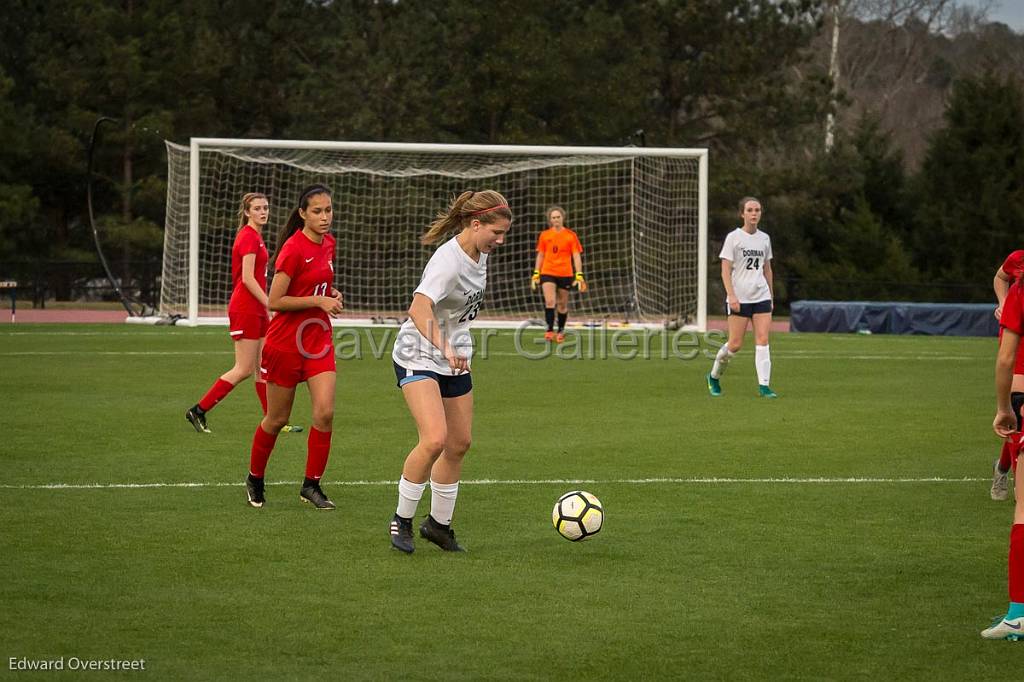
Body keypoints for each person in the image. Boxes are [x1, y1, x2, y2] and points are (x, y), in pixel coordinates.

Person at [388, 190, 512, 553]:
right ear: (476, 225)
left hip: (454, 358)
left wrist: (454, 348)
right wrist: (444, 347)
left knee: (459, 443)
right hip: (419, 354)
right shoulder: (449, 260)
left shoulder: (479, 251)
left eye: (505, 234)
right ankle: (402, 520)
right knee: (434, 439)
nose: (500, 241)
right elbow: (419, 307)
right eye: (496, 233)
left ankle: (439, 526)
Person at [244, 184, 343, 510]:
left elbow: (321, 284)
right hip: (285, 345)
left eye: (328, 209)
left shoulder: (329, 244)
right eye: (317, 211)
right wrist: (318, 299)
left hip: (318, 341)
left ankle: (311, 485)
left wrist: (333, 295)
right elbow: (276, 300)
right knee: (276, 418)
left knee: (325, 413)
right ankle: (255, 477)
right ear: (303, 213)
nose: (325, 216)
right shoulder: (292, 249)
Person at [185, 193, 300, 434]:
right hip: (245, 309)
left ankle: (274, 420)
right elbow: (247, 278)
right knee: (244, 368)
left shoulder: (256, 237)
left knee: (262, 367)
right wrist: (270, 303)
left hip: (256, 309)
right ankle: (198, 410)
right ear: (247, 212)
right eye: (257, 208)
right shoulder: (248, 237)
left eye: (265, 207)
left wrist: (265, 307)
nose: (263, 212)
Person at [706, 196, 777, 398]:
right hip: (739, 298)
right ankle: (713, 376)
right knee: (735, 345)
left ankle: (764, 386)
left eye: (757, 210)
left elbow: (768, 269)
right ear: (742, 214)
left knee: (763, 340)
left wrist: (771, 296)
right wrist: (731, 296)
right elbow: (725, 270)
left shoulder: (765, 238)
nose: (754, 213)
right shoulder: (734, 238)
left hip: (761, 296)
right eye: (750, 210)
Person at [984, 277, 1024, 640]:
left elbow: (1005, 358)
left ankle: (1018, 614)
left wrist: (1002, 410)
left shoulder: (1021, 288)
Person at [990, 250, 1024, 501]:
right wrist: (1003, 303)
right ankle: (1014, 474)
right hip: (1016, 338)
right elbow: (1000, 277)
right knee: (1018, 408)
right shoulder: (1018, 258)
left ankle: (1002, 467)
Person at [530, 206, 586, 343]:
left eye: (558, 217)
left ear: (563, 218)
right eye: (553, 217)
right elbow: (541, 255)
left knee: (562, 304)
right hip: (548, 271)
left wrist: (579, 274)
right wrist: (536, 272)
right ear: (550, 220)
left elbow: (576, 255)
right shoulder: (545, 235)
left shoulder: (570, 235)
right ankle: (549, 330)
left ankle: (560, 330)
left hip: (565, 273)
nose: (556, 219)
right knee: (550, 301)